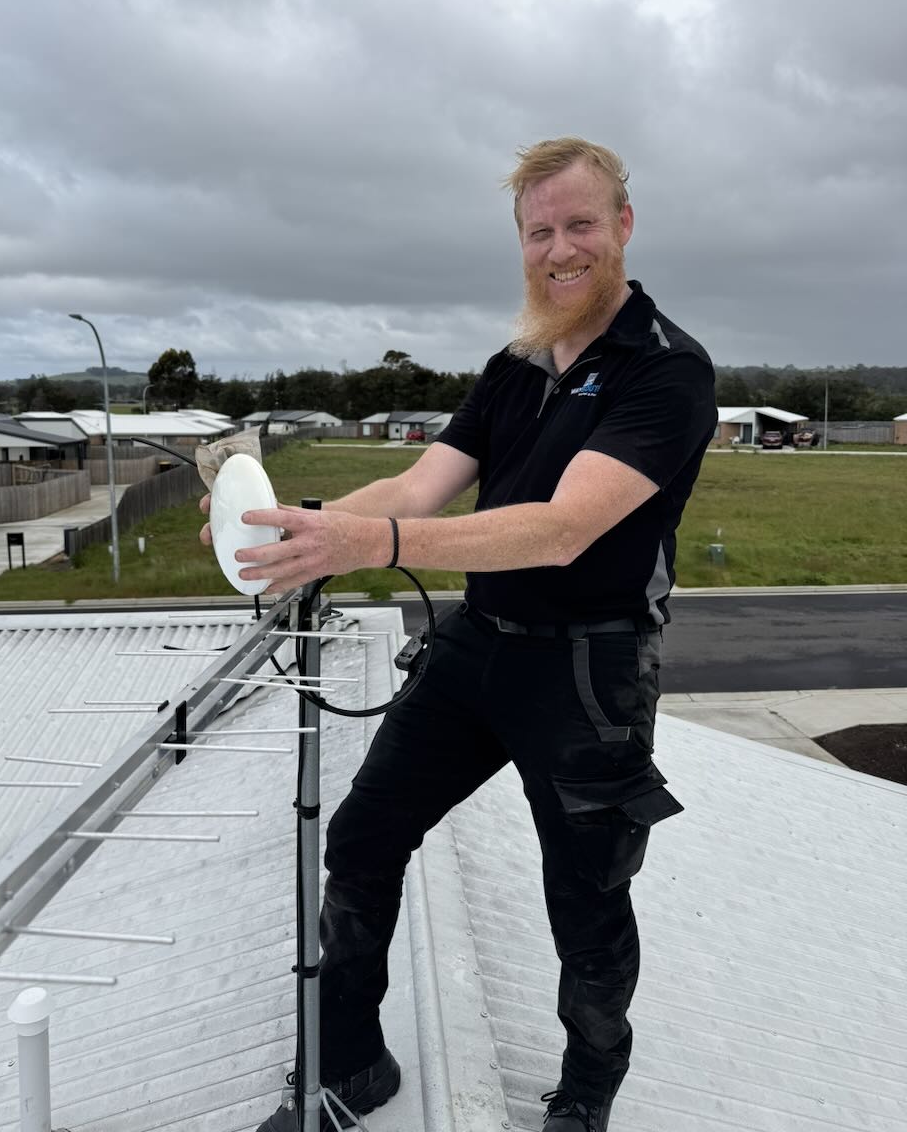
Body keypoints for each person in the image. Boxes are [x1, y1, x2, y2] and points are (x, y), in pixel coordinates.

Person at [200, 138, 717, 1131]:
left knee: (585, 893)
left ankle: (586, 1091)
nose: (559, 249)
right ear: (520, 241)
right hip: (481, 643)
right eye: (539, 231)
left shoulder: (667, 370)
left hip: (590, 668)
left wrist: (372, 543)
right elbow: (414, 486)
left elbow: (563, 529)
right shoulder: (517, 365)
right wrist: (287, 531)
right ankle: (351, 1063)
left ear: (623, 226)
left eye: (580, 224)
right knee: (363, 836)